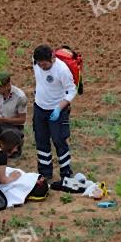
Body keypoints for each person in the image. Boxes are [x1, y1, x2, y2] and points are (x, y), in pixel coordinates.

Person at [32, 44, 77, 186]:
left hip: (57, 109)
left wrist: (59, 109)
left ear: (53, 58)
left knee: (59, 140)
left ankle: (66, 172)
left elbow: (71, 91)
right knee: (41, 140)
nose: (42, 67)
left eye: (45, 64)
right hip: (40, 108)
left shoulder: (62, 70)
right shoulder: (35, 62)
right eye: (40, 65)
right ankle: (45, 173)